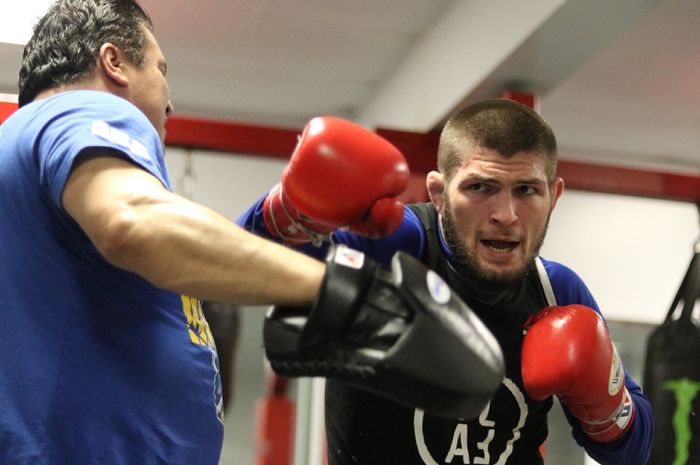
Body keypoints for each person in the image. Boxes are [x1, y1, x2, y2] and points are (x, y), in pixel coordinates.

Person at [0, 2, 504, 464]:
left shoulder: (38, 182)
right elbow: (132, 224)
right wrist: (351, 298)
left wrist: (283, 219)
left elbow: (179, 270)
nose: (170, 103)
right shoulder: (83, 110)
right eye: (160, 70)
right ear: (114, 62)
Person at [239, 99, 654, 464]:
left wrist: (605, 406)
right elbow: (245, 258)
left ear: (555, 196)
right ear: (437, 194)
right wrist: (289, 210)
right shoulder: (400, 243)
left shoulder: (556, 291)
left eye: (526, 190)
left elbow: (632, 452)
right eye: (480, 187)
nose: (506, 214)